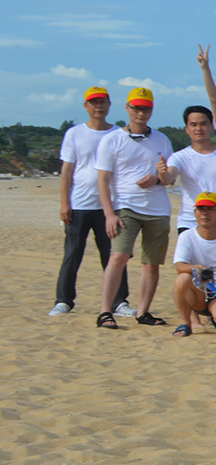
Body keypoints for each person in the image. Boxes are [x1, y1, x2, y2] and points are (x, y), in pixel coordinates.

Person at [93, 86, 176, 329]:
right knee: (118, 256)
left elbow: (171, 176)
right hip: (125, 207)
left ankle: (143, 312)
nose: (141, 113)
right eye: (136, 108)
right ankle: (105, 311)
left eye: (146, 108)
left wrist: (157, 178)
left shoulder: (161, 139)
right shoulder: (112, 140)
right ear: (128, 108)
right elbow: (103, 180)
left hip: (158, 209)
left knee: (151, 263)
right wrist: (108, 213)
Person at [51, 84, 128, 317]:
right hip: (80, 205)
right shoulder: (74, 134)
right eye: (94, 102)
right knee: (72, 254)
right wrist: (65, 203)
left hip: (110, 208)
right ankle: (64, 301)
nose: (99, 106)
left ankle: (119, 302)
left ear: (109, 105)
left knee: (114, 257)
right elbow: (67, 172)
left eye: (103, 101)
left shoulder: (119, 134)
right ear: (86, 106)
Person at [170, 192, 216, 335]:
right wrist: (195, 268)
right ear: (195, 213)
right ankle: (185, 323)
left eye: (210, 209)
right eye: (200, 209)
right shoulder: (187, 236)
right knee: (182, 278)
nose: (204, 213)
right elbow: (180, 266)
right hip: (199, 292)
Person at [164, 105, 216, 237]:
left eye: (203, 124)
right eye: (193, 125)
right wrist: (162, 173)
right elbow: (169, 176)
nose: (198, 129)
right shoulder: (180, 156)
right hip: (189, 222)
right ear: (187, 129)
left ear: (212, 126)